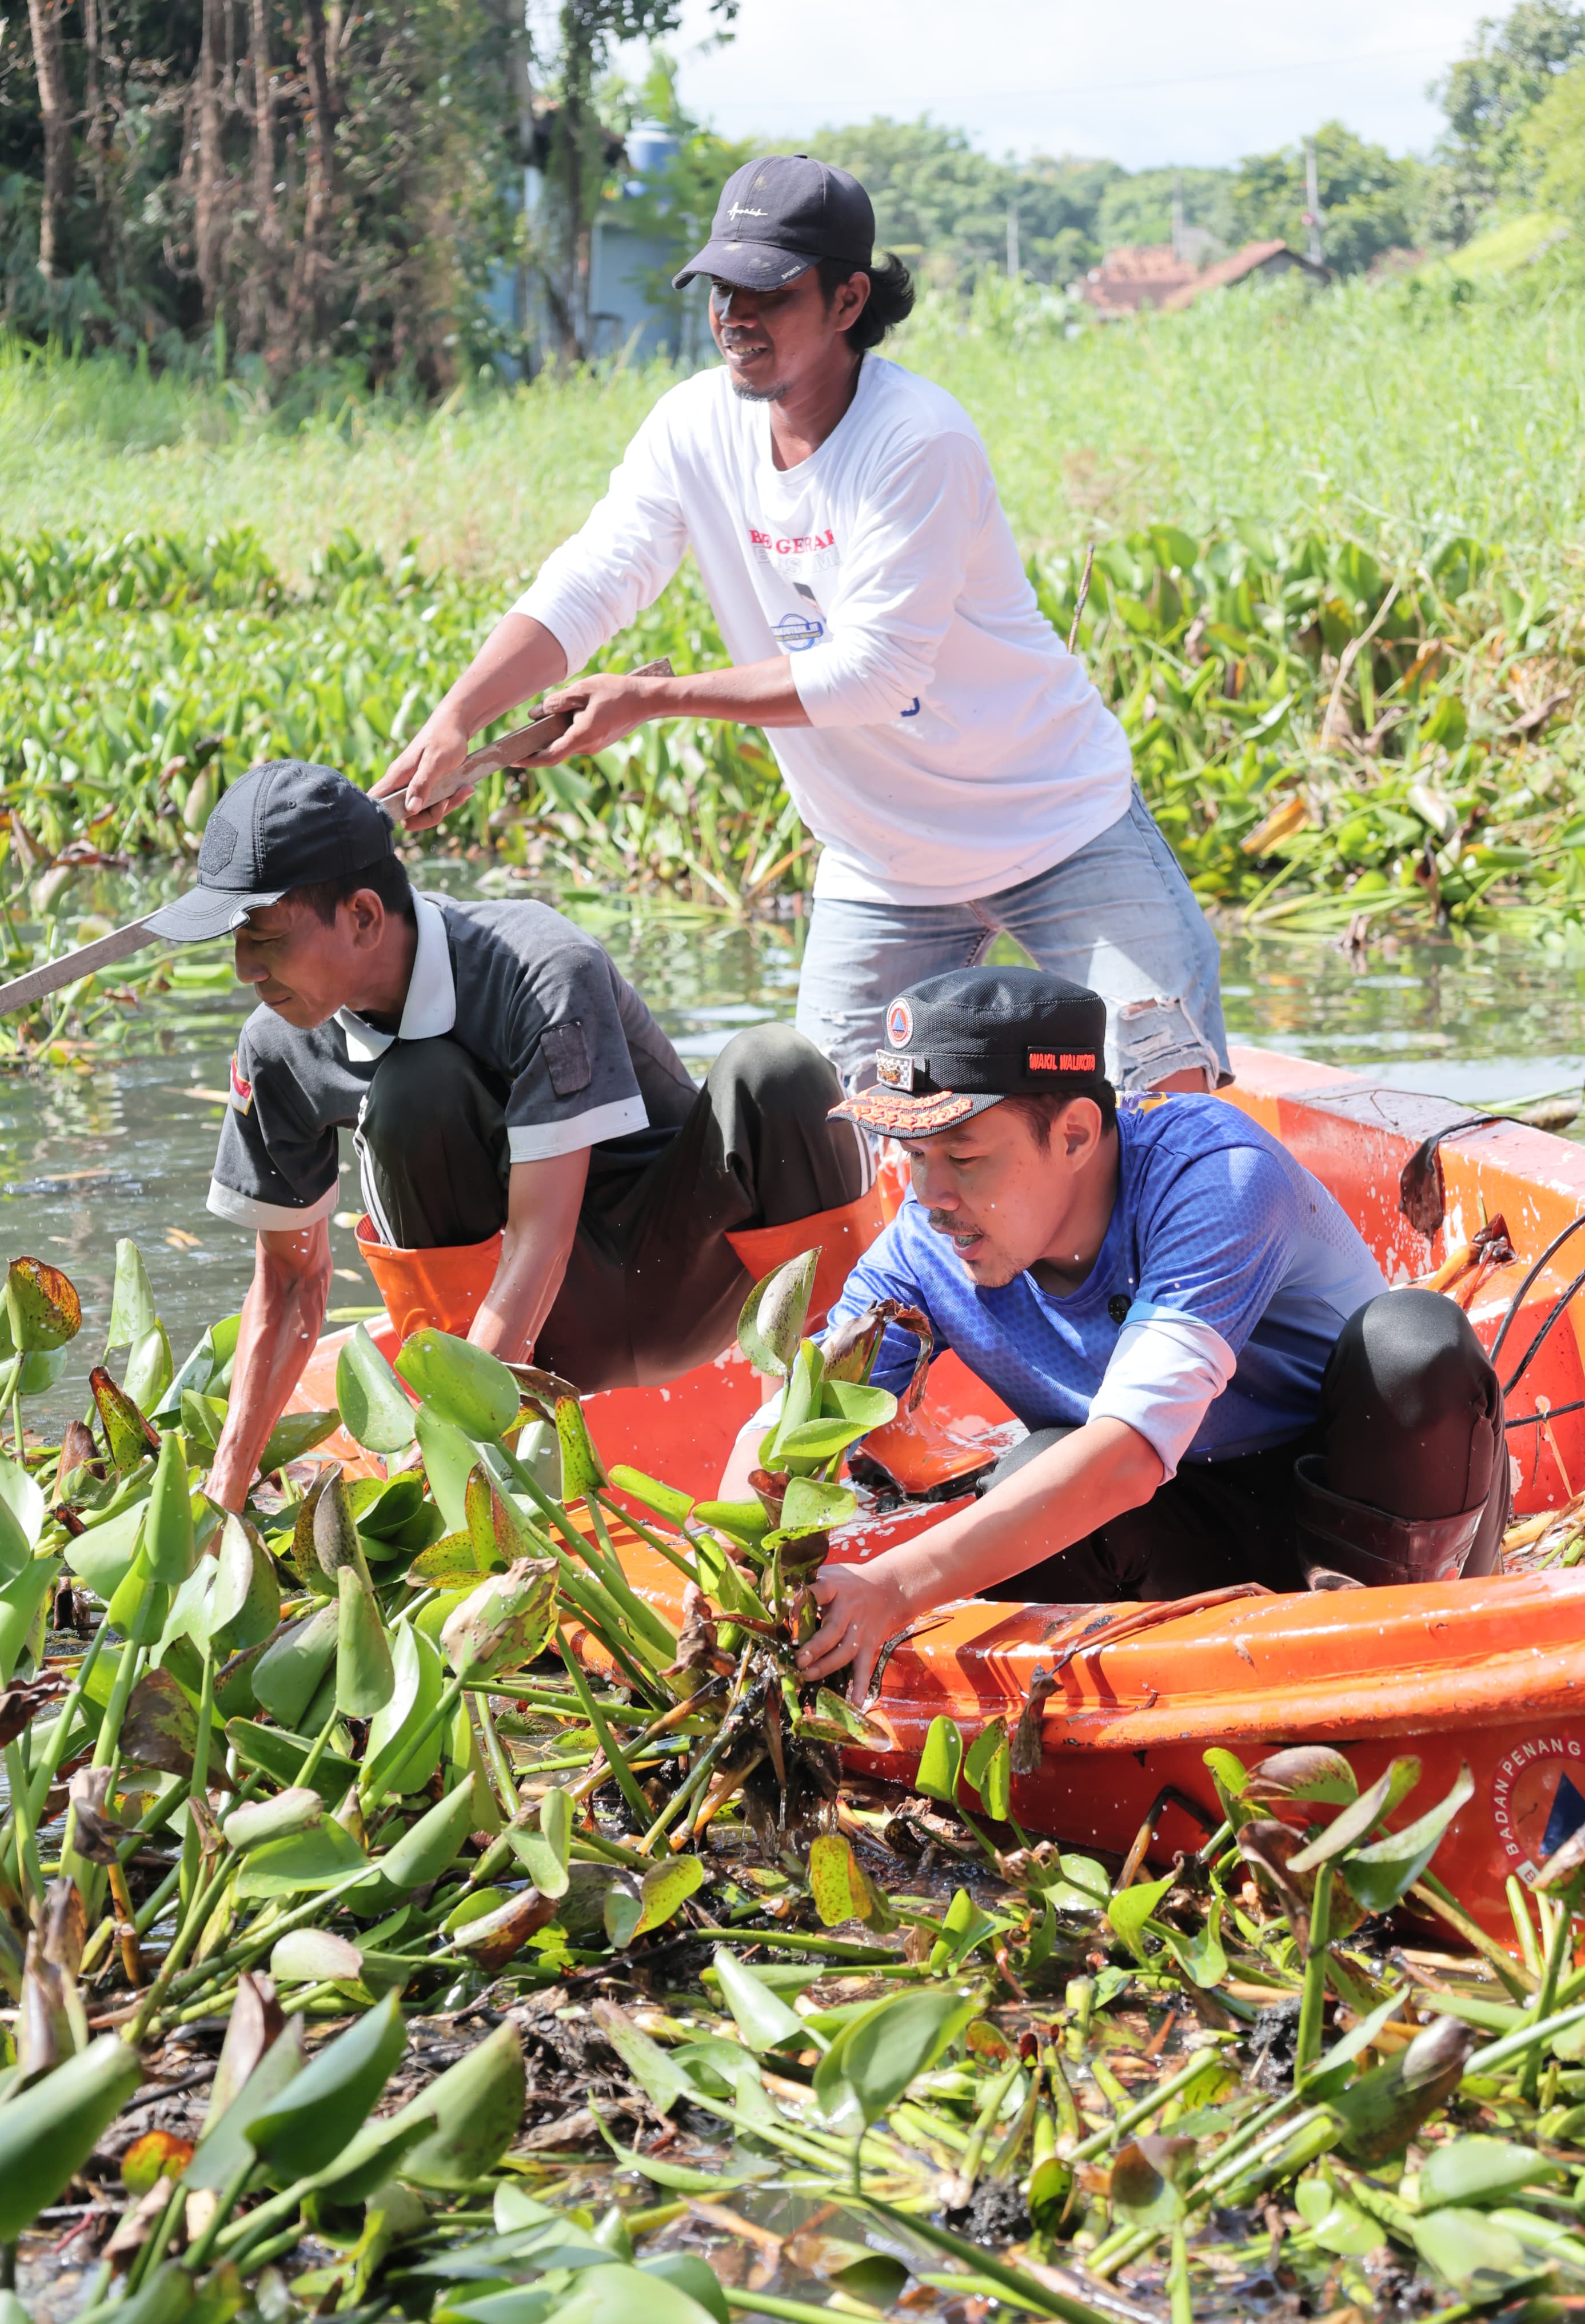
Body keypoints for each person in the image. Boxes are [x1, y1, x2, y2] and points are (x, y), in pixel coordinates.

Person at [369, 153, 1227, 1100]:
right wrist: (458, 718)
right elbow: (595, 578)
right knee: (828, 1145)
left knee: (1166, 1099)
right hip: (882, 864)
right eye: (719, 290)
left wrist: (649, 700)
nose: (735, 317)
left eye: (768, 293)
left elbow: (873, 675)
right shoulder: (690, 426)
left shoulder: (917, 440)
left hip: (1057, 824)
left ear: (847, 300)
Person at [717, 967, 1508, 1701]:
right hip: (1188, 1531)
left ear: (1073, 1134)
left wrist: (892, 1587)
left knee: (1413, 1340)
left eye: (962, 1155)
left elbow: (1128, 1456)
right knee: (1028, 1466)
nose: (930, 1195)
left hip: (1364, 1513)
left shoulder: (1214, 1178)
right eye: (915, 1157)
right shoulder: (926, 1246)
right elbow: (792, 1420)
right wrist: (736, 1570)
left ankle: (1385, 1652)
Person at [146, 760, 868, 1512]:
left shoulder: (542, 968)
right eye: (236, 940)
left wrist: (454, 1454)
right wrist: (221, 1497)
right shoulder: (277, 1050)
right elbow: (292, 1282)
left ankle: (827, 1427)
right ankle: (501, 1444)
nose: (242, 969)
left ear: (362, 917)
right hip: (533, 1337)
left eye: (263, 938)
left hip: (673, 1285)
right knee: (416, 1086)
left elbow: (541, 1239)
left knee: (779, 1066)